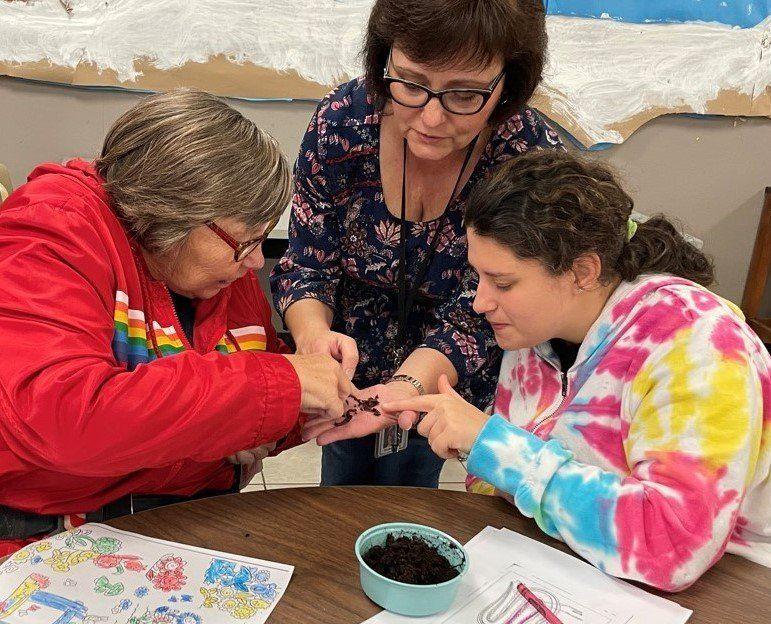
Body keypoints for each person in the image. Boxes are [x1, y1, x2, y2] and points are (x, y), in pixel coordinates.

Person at [383, 150, 771, 590]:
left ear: (583, 271)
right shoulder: (538, 332)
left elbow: (673, 546)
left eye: (503, 283)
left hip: (733, 587)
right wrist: (479, 448)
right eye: (479, 277)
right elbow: (513, 486)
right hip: (577, 568)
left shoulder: (700, 345)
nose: (480, 302)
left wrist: (492, 444)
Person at [0, 89, 350, 556]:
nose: (255, 265)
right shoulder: (51, 231)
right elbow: (64, 421)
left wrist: (324, 405)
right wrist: (281, 386)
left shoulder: (218, 272)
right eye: (247, 242)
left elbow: (242, 392)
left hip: (181, 519)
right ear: (173, 213)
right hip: (55, 539)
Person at [271, 0, 562, 487]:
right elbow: (306, 265)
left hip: (447, 379)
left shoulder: (525, 159)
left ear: (508, 83)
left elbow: (483, 310)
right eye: (409, 84)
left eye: (464, 95)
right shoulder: (342, 124)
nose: (429, 118)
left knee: (410, 492)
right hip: (348, 367)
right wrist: (314, 341)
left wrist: (405, 389)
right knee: (339, 492)